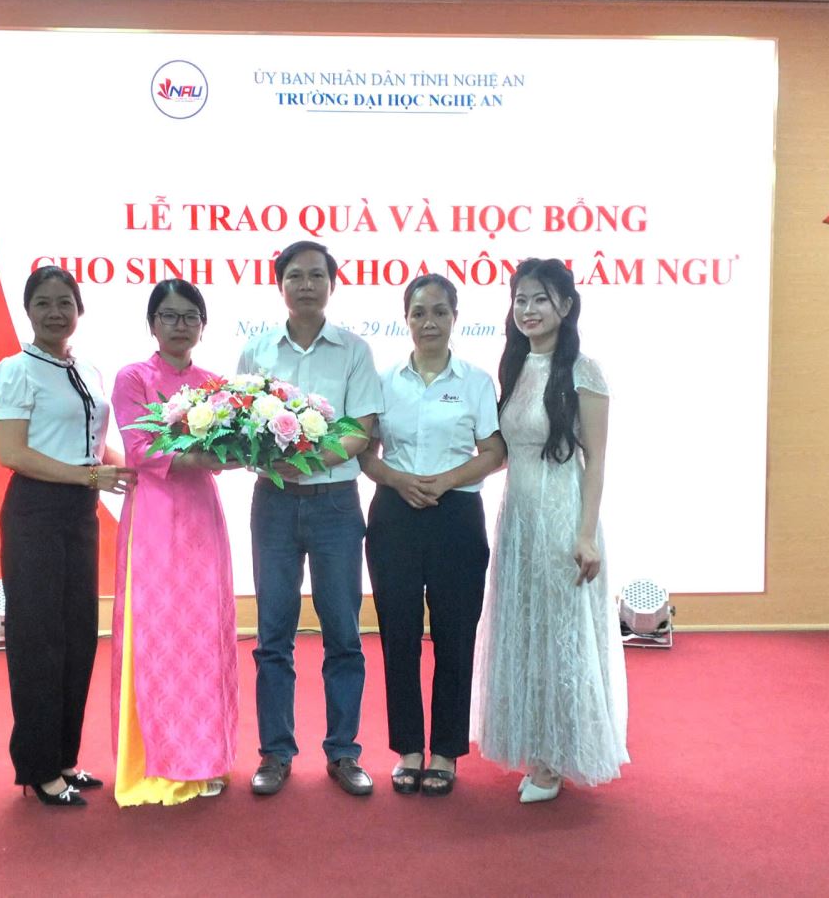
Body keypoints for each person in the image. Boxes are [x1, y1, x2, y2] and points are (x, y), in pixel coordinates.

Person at [471, 257, 629, 803]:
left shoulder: (584, 371)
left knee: (561, 637)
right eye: (520, 299)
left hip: (563, 518)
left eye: (540, 299)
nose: (529, 309)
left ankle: (558, 757)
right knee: (526, 632)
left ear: (565, 304)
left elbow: (597, 460)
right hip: (517, 521)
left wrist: (585, 535)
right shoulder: (512, 367)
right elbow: (504, 452)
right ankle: (536, 748)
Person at [236, 240, 382, 797]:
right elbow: (239, 425)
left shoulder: (353, 350)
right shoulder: (257, 351)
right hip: (273, 503)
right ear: (280, 285)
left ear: (332, 284)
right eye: (295, 276)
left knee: (343, 632)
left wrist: (307, 461)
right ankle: (275, 753)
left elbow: (361, 429)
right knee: (273, 633)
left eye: (316, 275)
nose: (306, 285)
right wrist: (265, 458)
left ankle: (344, 752)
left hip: (336, 504)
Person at [0, 265, 135, 808]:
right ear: (28, 310)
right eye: (44, 303)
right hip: (35, 512)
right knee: (38, 641)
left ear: (79, 309)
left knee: (77, 637)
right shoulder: (15, 371)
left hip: (80, 512)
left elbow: (94, 445)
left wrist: (143, 469)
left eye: (64, 303)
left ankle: (65, 758)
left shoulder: (88, 370)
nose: (55, 312)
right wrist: (87, 476)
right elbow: (12, 453)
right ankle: (38, 767)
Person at [359, 274, 506, 797]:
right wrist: (399, 481)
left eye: (440, 312)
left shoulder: (475, 381)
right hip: (394, 515)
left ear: (454, 318)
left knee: (454, 635)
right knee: (398, 635)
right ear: (406, 319)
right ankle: (408, 749)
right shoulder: (382, 381)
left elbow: (495, 451)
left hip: (456, 515)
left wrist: (445, 480)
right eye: (419, 312)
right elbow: (364, 452)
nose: (429, 322)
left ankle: (445, 749)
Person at [108, 280, 239, 806]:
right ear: (152, 324)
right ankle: (160, 762)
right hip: (155, 519)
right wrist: (202, 457)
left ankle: (205, 758)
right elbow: (139, 450)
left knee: (204, 636)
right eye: (168, 316)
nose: (179, 326)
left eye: (190, 317)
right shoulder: (133, 378)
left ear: (203, 327)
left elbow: (227, 453)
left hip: (202, 516)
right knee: (158, 636)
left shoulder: (215, 385)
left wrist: (234, 455)